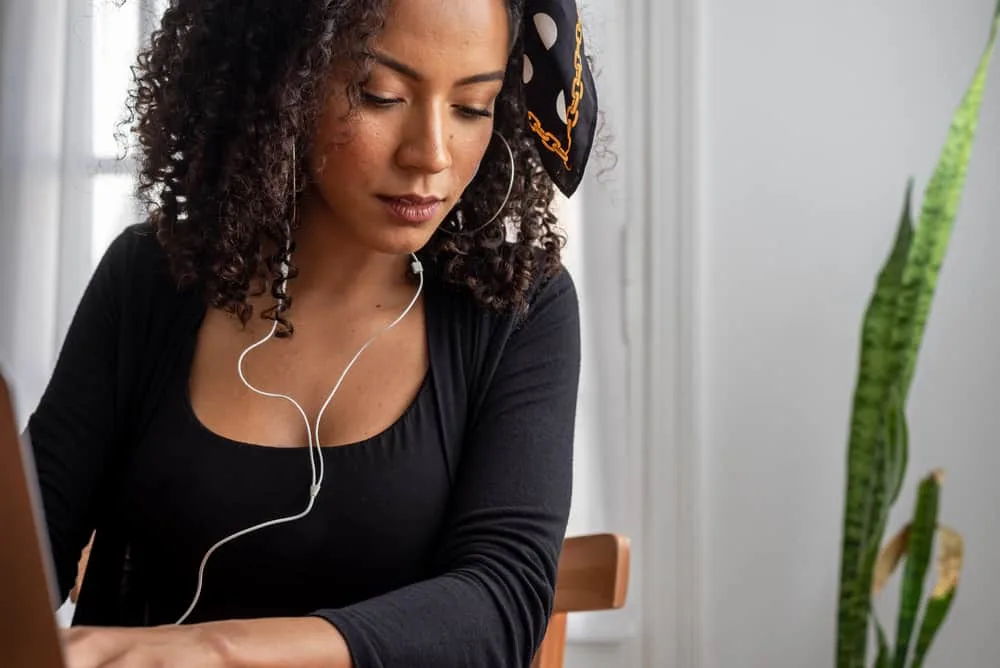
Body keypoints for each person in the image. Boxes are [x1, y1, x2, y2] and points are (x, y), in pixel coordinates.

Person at [27, 0, 600, 665]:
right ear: (283, 79)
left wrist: (212, 650)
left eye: (472, 107)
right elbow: (29, 546)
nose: (431, 155)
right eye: (380, 95)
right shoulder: (152, 280)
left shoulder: (517, 309)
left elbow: (500, 603)